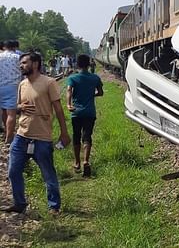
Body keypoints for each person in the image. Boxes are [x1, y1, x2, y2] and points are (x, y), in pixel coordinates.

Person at [3, 52, 71, 214]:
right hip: (21, 136)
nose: (21, 66)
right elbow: (18, 107)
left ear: (35, 64)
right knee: (13, 171)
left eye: (24, 62)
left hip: (42, 138)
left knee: (48, 174)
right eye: (21, 63)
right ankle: (19, 203)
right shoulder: (22, 84)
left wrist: (64, 132)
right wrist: (20, 108)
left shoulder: (49, 83)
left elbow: (59, 109)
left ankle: (54, 206)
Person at [66, 54, 104, 177]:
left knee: (76, 136)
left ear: (77, 64)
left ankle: (77, 162)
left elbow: (69, 91)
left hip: (76, 112)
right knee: (87, 136)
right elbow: (100, 93)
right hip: (90, 112)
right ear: (89, 64)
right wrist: (91, 95)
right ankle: (86, 161)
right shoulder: (95, 78)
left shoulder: (73, 78)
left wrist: (68, 104)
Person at [0, 41, 22, 144]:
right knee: (11, 113)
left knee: (3, 111)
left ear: (4, 47)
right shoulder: (18, 57)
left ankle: (6, 130)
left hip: (0, 86)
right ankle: (9, 137)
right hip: (13, 86)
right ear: (14, 47)